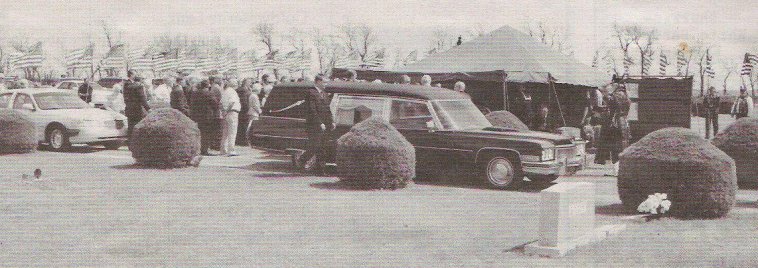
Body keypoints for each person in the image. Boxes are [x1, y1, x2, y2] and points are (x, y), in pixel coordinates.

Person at [298, 74, 334, 175]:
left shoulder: (324, 93)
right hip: (314, 125)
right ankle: (302, 159)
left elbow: (328, 109)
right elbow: (312, 110)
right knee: (314, 146)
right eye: (324, 82)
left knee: (323, 147)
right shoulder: (311, 93)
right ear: (318, 82)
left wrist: (332, 121)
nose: (326, 84)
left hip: (325, 124)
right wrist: (319, 123)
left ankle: (320, 170)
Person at [190, 79, 222, 156]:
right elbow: (215, 104)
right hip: (207, 117)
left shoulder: (195, 93)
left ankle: (196, 149)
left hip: (197, 116)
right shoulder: (209, 94)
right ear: (208, 86)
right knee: (206, 134)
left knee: (198, 133)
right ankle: (204, 150)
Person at [123, 70, 150, 139]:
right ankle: (137, 142)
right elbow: (142, 98)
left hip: (129, 109)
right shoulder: (138, 86)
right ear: (131, 75)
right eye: (135, 74)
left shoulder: (126, 84)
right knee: (138, 126)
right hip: (137, 109)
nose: (136, 75)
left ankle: (130, 143)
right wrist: (148, 108)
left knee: (131, 126)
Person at [220, 79, 241, 156]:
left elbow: (221, 103)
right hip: (232, 112)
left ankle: (223, 149)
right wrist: (227, 110)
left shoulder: (225, 91)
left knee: (225, 132)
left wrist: (224, 112)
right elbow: (232, 102)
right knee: (232, 132)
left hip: (226, 114)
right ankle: (231, 150)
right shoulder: (233, 92)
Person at [235, 78, 253, 145]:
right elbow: (244, 101)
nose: (250, 84)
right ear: (246, 83)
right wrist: (248, 109)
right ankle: (243, 141)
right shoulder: (244, 90)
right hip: (244, 111)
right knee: (244, 126)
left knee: (241, 126)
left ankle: (239, 140)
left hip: (240, 111)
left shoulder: (242, 89)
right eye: (249, 82)